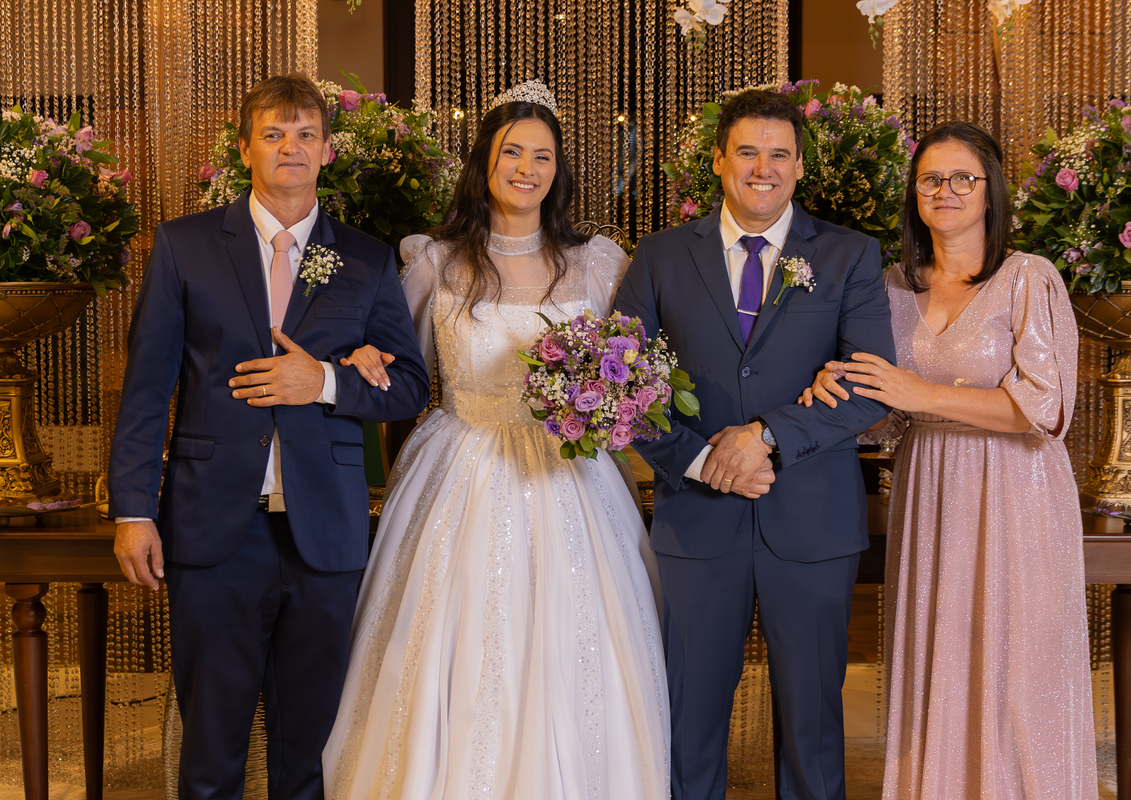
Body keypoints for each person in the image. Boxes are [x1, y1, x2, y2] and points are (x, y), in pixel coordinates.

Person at [320, 80, 670, 799]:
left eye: (543, 155)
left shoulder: (597, 263)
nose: (526, 168)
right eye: (512, 151)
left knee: (578, 639)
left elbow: (632, 363)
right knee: (460, 636)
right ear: (485, 160)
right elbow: (398, 363)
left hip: (572, 475)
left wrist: (614, 403)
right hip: (462, 463)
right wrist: (364, 356)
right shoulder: (436, 259)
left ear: (558, 169)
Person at [107, 74, 430, 800]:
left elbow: (410, 387)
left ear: (328, 150)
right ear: (245, 147)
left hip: (327, 534)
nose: (291, 148)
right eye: (275, 134)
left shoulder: (368, 258)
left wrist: (325, 382)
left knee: (310, 753)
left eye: (306, 134)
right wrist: (133, 512)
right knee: (212, 748)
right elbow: (147, 389)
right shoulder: (186, 245)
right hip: (213, 529)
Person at [612, 88, 895, 800]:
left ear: (799, 166)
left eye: (778, 154)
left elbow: (870, 388)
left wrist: (765, 437)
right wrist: (704, 460)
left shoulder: (850, 256)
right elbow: (622, 383)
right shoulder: (660, 256)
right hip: (697, 519)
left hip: (813, 521)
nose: (762, 168)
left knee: (813, 729)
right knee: (689, 723)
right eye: (747, 151)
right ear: (718, 161)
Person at [803, 121, 1097, 799]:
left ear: (991, 191)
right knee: (941, 652)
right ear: (913, 192)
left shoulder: (1028, 277)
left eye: (964, 177)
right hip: (928, 483)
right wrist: (834, 388)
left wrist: (921, 393)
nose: (946, 190)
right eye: (931, 178)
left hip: (1016, 491)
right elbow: (884, 411)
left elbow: (1045, 407)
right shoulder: (890, 285)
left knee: (1017, 664)